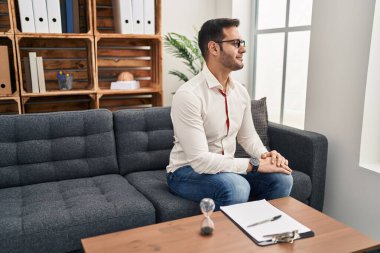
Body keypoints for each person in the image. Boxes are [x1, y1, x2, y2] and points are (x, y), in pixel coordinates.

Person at [166, 18, 293, 210]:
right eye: (235, 43)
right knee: (236, 186)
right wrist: (255, 165)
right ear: (214, 48)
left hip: (226, 170)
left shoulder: (240, 92)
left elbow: (248, 137)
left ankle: (261, 231)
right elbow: (200, 161)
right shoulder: (188, 95)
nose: (243, 49)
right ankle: (232, 239)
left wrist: (266, 156)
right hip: (187, 172)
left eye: (242, 43)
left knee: (282, 178)